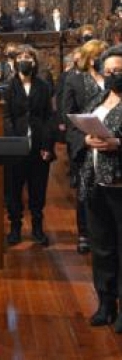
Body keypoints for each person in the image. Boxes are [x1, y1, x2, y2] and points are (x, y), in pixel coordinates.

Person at [78, 46, 122, 331]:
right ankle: (106, 304)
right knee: (102, 246)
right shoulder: (98, 97)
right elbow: (81, 128)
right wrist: (86, 140)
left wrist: (118, 144)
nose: (113, 76)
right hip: (95, 181)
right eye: (108, 72)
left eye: (118, 71)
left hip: (120, 183)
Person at [4, 45, 55, 246]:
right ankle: (15, 228)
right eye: (21, 57)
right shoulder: (9, 87)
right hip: (15, 145)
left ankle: (37, 228)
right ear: (15, 62)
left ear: (34, 62)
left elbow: (49, 117)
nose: (24, 60)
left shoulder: (43, 86)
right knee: (14, 189)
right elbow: (6, 116)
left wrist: (47, 146)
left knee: (38, 188)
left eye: (28, 57)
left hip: (38, 145)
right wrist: (13, 142)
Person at [63, 39, 109, 255]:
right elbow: (69, 116)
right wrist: (84, 140)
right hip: (86, 144)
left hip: (111, 143)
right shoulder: (74, 79)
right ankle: (84, 233)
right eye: (98, 55)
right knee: (85, 191)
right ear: (90, 59)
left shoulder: (113, 79)